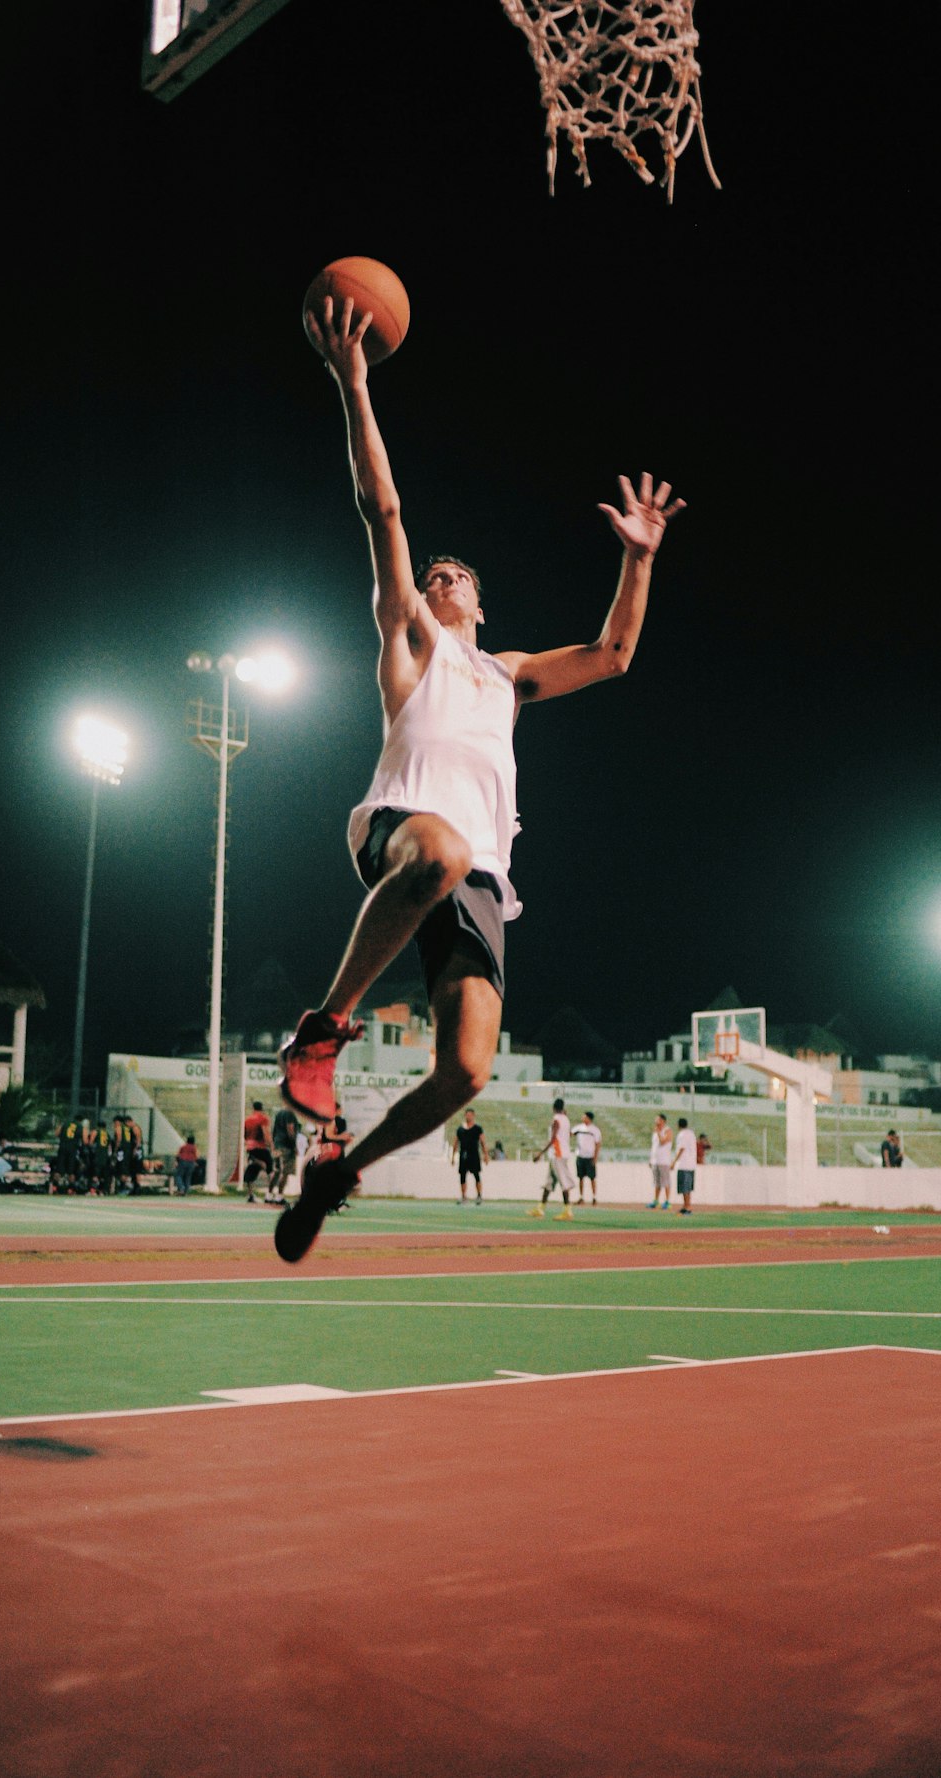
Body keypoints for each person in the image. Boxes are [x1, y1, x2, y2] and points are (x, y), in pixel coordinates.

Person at [273, 290, 684, 1263]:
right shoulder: (411, 645)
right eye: (434, 570)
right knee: (442, 851)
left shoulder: (503, 673)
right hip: (402, 828)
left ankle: (338, 1172)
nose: (441, 574)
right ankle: (321, 1029)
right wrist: (353, 383)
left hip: (480, 875)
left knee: (463, 1069)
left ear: (481, 605)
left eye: (456, 573)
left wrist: (637, 559)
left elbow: (615, 652)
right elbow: (384, 507)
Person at [530, 1098, 576, 1221]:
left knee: (563, 1182)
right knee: (549, 1182)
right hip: (561, 1153)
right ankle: (540, 1208)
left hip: (558, 1154)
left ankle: (567, 1210)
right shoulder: (566, 1119)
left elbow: (553, 1139)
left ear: (553, 1108)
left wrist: (540, 1153)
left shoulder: (557, 1120)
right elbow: (568, 1134)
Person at [452, 1107, 488, 1203]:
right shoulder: (460, 1129)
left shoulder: (477, 1129)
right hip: (463, 1155)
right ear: (465, 1116)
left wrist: (486, 1155)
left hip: (474, 1155)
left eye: (470, 1115)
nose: (469, 1117)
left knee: (476, 1175)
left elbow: (483, 1142)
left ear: (473, 1116)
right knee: (462, 1176)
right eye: (467, 1115)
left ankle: (479, 1196)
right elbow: (456, 1142)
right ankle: (464, 1196)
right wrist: (453, 1156)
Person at [243, 1100, 274, 1203]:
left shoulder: (247, 1120)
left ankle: (250, 1194)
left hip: (250, 1148)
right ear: (262, 1108)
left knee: (251, 1170)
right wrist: (271, 1146)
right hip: (261, 1147)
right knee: (271, 1170)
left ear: (253, 1108)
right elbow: (266, 1133)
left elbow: (244, 1134)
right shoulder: (263, 1118)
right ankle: (270, 1194)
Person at [268, 1105, 300, 1206]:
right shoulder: (290, 1114)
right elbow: (290, 1129)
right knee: (285, 1171)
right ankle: (279, 1196)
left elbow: (274, 1130)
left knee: (277, 1170)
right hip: (286, 1146)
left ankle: (269, 1194)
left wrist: (273, 1145)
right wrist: (294, 1145)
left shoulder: (279, 1113)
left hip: (278, 1144)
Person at [572, 1111, 602, 1206]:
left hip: (590, 1157)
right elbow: (570, 1134)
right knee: (580, 1178)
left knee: (592, 1178)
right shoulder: (578, 1128)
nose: (583, 1118)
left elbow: (598, 1144)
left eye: (584, 1117)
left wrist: (595, 1157)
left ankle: (594, 1197)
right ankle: (581, 1197)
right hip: (580, 1156)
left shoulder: (595, 1130)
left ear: (589, 1118)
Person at [671, 1115, 697, 1213]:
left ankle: (687, 1207)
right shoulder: (691, 1133)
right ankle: (686, 1205)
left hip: (684, 1164)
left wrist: (674, 1161)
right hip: (691, 1164)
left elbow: (681, 1148)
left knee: (684, 1187)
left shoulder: (682, 1135)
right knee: (688, 1187)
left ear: (679, 1125)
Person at [647, 1113, 673, 1209]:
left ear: (663, 1121)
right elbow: (654, 1147)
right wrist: (651, 1159)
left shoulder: (668, 1131)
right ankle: (656, 1200)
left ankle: (667, 1201)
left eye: (657, 1120)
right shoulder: (655, 1133)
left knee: (666, 1182)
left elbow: (663, 1142)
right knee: (656, 1182)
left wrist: (658, 1132)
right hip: (655, 1161)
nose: (655, 1122)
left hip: (664, 1161)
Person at [174, 1133, 198, 1197]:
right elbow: (196, 1156)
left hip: (183, 1162)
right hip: (191, 1163)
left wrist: (176, 1162)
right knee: (188, 1177)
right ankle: (186, 1191)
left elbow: (178, 1155)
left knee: (178, 1175)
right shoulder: (194, 1147)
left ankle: (181, 1187)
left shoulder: (183, 1147)